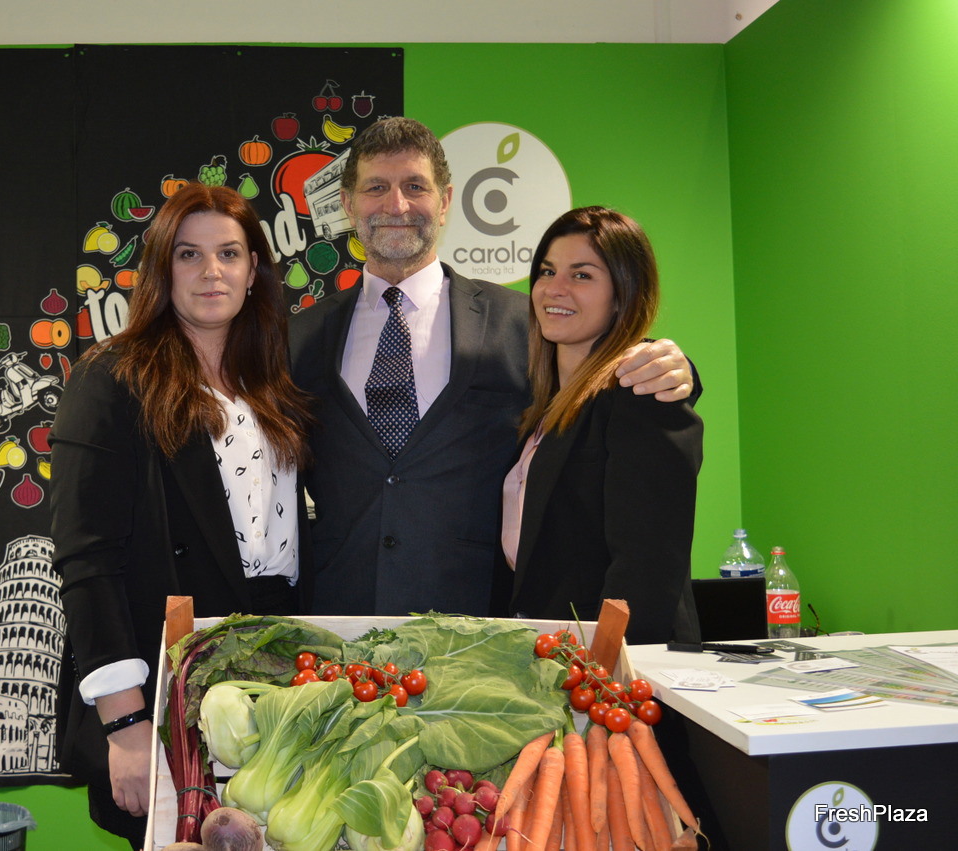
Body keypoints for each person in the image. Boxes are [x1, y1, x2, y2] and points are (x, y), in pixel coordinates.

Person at [289, 117, 696, 617]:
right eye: (376, 188)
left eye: (415, 186)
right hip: (338, 612)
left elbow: (600, 374)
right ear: (347, 204)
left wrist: (674, 368)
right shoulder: (298, 338)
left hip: (484, 621)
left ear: (445, 202)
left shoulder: (525, 321)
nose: (396, 205)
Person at [49, 184, 313, 847]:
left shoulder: (274, 380)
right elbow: (87, 559)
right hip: (167, 672)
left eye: (230, 253)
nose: (211, 271)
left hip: (272, 672)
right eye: (189, 254)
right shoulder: (111, 378)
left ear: (254, 270)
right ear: (162, 270)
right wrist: (125, 725)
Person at [502, 206, 702, 645]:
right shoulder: (539, 406)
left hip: (613, 663)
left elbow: (647, 566)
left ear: (623, 293)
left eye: (582, 275)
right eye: (547, 271)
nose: (554, 288)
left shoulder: (641, 392)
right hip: (551, 651)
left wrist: (603, 671)